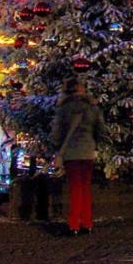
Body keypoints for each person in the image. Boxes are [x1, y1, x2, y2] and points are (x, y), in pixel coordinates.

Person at [50, 77, 105, 236]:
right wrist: (96, 144)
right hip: (88, 151)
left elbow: (57, 132)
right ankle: (87, 223)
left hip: (71, 152)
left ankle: (74, 224)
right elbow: (101, 129)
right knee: (85, 187)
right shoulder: (92, 107)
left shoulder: (64, 108)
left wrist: (57, 148)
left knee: (75, 188)